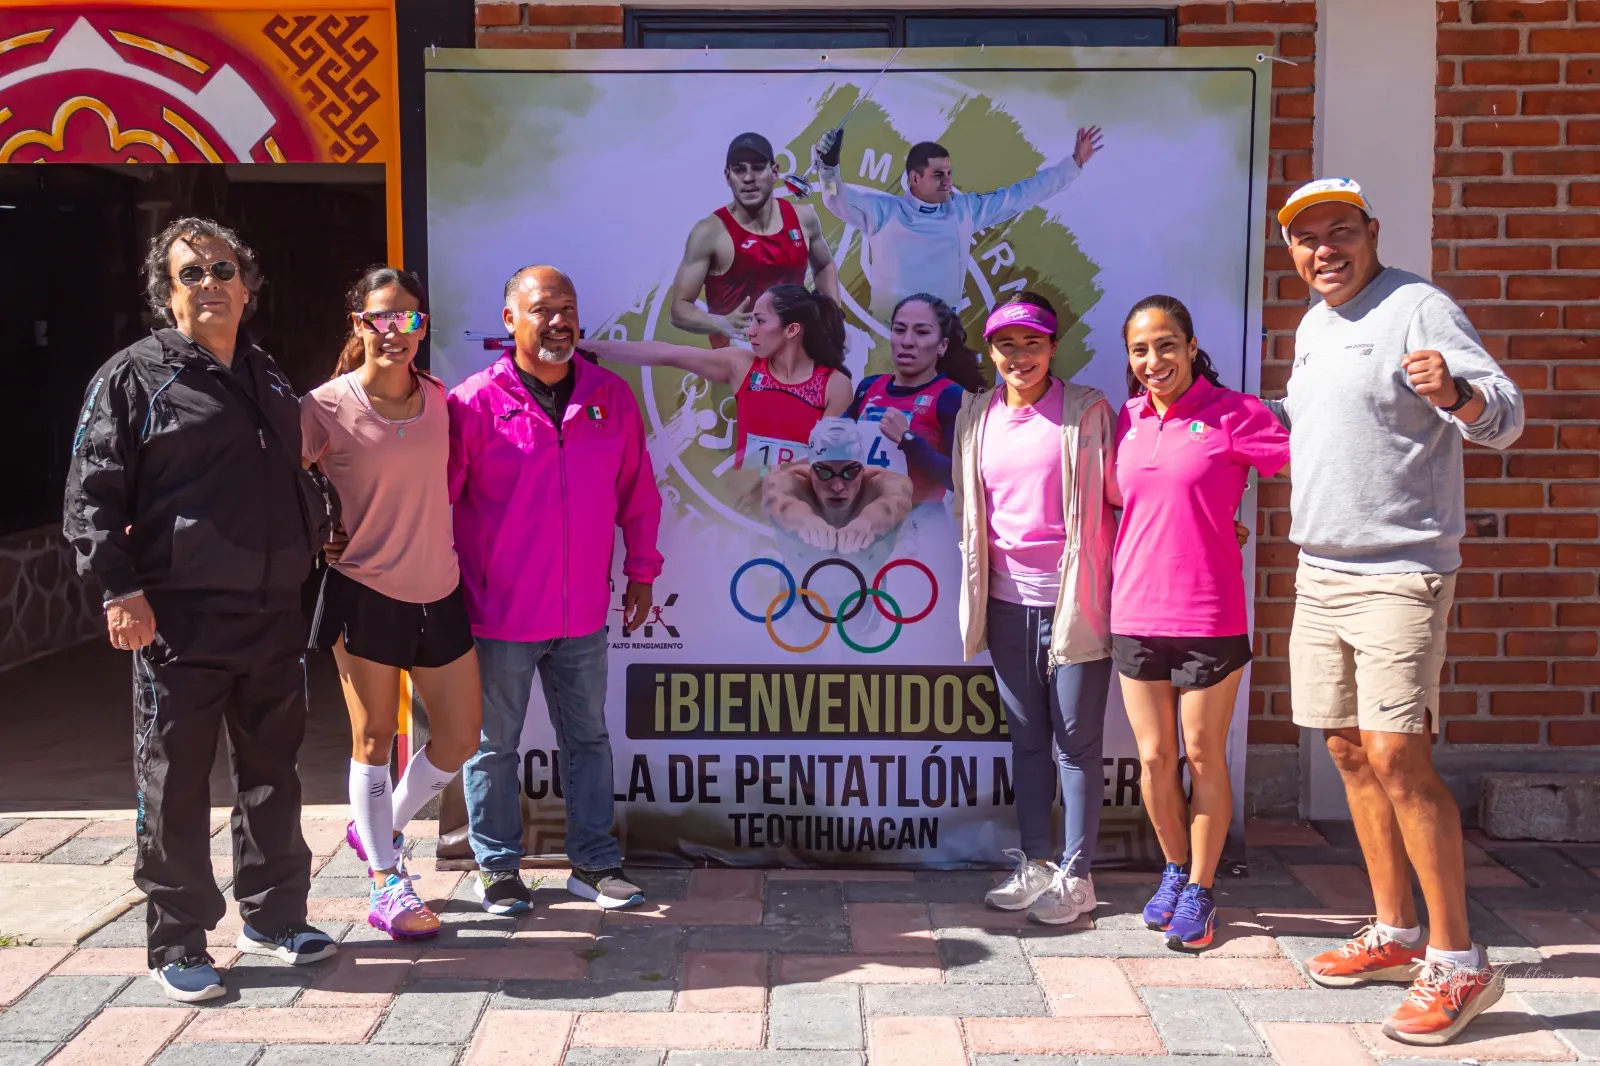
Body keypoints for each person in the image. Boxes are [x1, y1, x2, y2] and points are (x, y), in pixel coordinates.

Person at [1272, 177, 1524, 1046]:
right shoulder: (1314, 325)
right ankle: (1395, 931)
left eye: (1340, 232)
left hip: (1400, 570)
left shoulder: (1419, 307)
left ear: (1372, 232)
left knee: (1398, 754)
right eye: (1307, 239)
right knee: (1346, 749)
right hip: (1321, 568)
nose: (1324, 250)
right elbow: (1316, 428)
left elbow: (1507, 417)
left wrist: (1455, 393)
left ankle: (1459, 962)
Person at [63, 217, 335, 1002]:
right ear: (167, 291)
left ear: (248, 286)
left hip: (274, 611)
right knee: (176, 781)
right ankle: (177, 940)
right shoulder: (134, 378)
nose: (210, 281)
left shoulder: (268, 374)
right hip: (178, 620)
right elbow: (90, 494)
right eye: (191, 272)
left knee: (273, 776)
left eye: (223, 268)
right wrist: (120, 590)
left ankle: (276, 916)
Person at [449, 265, 663, 914]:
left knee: (589, 741)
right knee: (493, 749)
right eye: (543, 308)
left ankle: (594, 865)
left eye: (567, 307)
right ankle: (499, 871)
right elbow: (440, 505)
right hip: (498, 615)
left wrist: (643, 572)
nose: (559, 320)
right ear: (510, 319)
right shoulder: (471, 403)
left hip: (583, 616)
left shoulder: (610, 396)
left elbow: (638, 494)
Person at [301, 266, 482, 940]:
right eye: (379, 317)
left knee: (461, 736)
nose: (393, 331)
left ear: (420, 327)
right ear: (359, 324)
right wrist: (317, 529)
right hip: (363, 592)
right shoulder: (323, 406)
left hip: (440, 588)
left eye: (406, 318)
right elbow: (276, 485)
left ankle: (379, 828)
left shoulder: (440, 401)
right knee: (374, 738)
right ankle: (386, 879)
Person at [1113, 295, 1289, 952]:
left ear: (1190, 347)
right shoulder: (1129, 419)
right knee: (1154, 759)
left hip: (1209, 614)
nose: (1152, 361)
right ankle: (1174, 871)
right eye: (1139, 349)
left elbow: (1301, 464)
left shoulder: (1236, 414)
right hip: (1133, 611)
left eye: (1165, 345)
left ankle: (1203, 890)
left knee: (1199, 753)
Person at [950, 291, 1115, 926]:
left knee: (1076, 743)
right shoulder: (974, 415)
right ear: (990, 350)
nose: (1021, 356)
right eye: (1007, 344)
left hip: (1075, 602)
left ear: (1053, 347)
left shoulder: (1086, 410)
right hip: (1004, 601)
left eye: (1034, 343)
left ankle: (1079, 876)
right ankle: (1037, 864)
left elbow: (1126, 492)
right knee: (1027, 742)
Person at [812, 127, 1104, 318]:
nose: (948, 181)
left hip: (945, 337)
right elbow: (836, 199)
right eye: (939, 174)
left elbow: (1019, 196)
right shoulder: (883, 211)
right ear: (914, 178)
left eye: (950, 173)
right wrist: (828, 167)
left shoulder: (964, 210)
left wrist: (1073, 164)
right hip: (892, 335)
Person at [584, 283, 853, 471]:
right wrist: (589, 347)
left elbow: (824, 461)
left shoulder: (835, 385)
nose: (750, 332)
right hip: (747, 504)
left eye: (760, 321)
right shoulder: (742, 364)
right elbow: (666, 353)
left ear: (791, 329)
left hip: (797, 514)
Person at [671, 132, 840, 349]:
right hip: (738, 361)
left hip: (793, 349)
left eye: (758, 167)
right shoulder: (709, 233)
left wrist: (833, 314)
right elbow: (679, 309)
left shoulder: (803, 218)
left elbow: (824, 265)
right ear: (727, 175)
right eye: (739, 169)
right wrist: (722, 323)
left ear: (775, 172)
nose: (749, 178)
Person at [843, 293, 983, 502]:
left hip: (919, 525)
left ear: (942, 345)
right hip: (863, 519)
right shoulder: (868, 387)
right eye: (899, 330)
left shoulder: (951, 397)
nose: (907, 341)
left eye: (921, 332)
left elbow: (963, 480)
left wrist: (908, 440)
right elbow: (832, 448)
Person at [761, 417, 913, 555]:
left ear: (862, 469)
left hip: (870, 585)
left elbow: (894, 501)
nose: (837, 486)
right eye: (825, 473)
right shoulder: (790, 481)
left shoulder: (883, 482)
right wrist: (804, 518)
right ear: (811, 469)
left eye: (850, 473)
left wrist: (868, 520)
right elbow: (778, 500)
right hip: (796, 585)